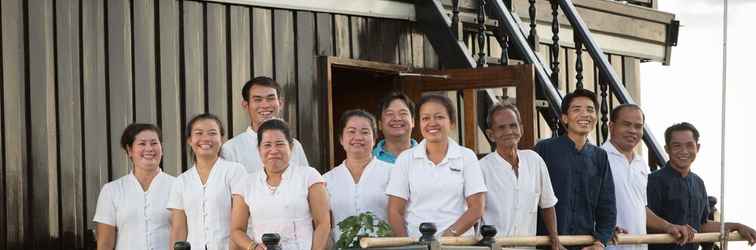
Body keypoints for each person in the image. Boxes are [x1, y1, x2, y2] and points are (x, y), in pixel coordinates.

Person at [386, 94, 487, 237]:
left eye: (439, 117)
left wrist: (448, 237)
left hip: (457, 244)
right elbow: (394, 211)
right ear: (419, 123)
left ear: (452, 123)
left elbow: (477, 208)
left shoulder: (466, 156)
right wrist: (406, 245)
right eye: (425, 118)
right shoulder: (405, 159)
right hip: (418, 244)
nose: (432, 123)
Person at [647, 122, 756, 250]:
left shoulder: (698, 183)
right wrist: (671, 228)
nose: (684, 151)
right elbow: (645, 222)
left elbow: (702, 225)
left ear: (697, 147)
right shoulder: (653, 180)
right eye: (677, 146)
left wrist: (736, 226)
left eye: (689, 145)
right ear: (667, 149)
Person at [602, 104, 695, 250]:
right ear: (611, 126)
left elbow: (641, 208)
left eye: (638, 126)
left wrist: (669, 226)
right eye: (626, 124)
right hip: (608, 246)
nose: (633, 131)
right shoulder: (598, 158)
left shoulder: (641, 164)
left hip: (639, 246)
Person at [230, 119, 330, 250]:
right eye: (267, 145)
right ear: (258, 149)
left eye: (279, 144)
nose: (274, 150)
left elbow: (322, 223)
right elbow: (237, 230)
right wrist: (253, 246)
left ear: (291, 147)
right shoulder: (246, 183)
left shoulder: (309, 176)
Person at [534, 89, 615, 250]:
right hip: (546, 244)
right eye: (577, 109)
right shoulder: (544, 149)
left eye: (590, 110)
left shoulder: (600, 156)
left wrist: (600, 241)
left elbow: (607, 206)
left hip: (584, 245)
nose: (585, 114)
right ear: (565, 118)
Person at [480, 103, 562, 250]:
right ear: (491, 135)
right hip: (493, 247)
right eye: (501, 127)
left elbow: (548, 204)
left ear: (521, 129)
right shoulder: (482, 168)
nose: (508, 131)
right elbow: (474, 212)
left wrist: (554, 238)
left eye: (513, 125)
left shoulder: (534, 160)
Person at [168, 113, 246, 250]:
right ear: (189, 140)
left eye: (212, 133)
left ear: (222, 139)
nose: (205, 138)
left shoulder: (235, 171)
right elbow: (178, 230)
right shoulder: (181, 181)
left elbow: (239, 225)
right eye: (198, 133)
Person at [94, 123, 176, 250]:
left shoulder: (178, 186)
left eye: (154, 143)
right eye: (142, 144)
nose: (149, 149)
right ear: (130, 150)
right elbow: (105, 243)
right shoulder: (111, 190)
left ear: (162, 148)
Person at [323, 110, 392, 242]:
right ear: (341, 139)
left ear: (374, 139)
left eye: (365, 132)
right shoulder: (327, 180)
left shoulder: (392, 173)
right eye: (351, 131)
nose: (358, 137)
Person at [222, 76, 309, 173]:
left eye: (270, 98)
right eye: (258, 100)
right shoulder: (231, 149)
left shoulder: (294, 145)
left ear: (280, 103)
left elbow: (306, 183)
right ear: (246, 105)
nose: (265, 105)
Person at [373, 92, 417, 164]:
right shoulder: (369, 159)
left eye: (403, 113)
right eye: (390, 114)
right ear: (380, 124)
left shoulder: (428, 156)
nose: (397, 118)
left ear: (412, 121)